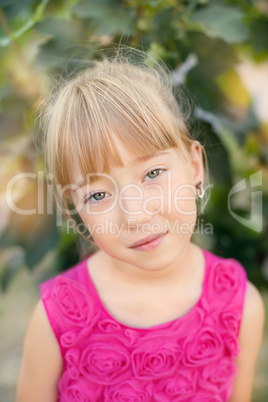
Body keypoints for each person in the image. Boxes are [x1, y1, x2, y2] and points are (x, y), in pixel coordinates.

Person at [16, 49, 264, 402]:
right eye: (98, 195)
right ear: (74, 212)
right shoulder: (55, 321)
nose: (136, 215)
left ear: (195, 166)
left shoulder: (240, 306)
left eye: (152, 173)